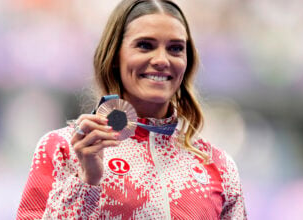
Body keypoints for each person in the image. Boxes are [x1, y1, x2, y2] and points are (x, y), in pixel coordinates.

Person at [17, 0, 247, 219]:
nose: (161, 60)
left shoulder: (219, 167)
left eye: (175, 48)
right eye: (145, 46)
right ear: (115, 55)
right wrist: (86, 182)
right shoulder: (63, 149)